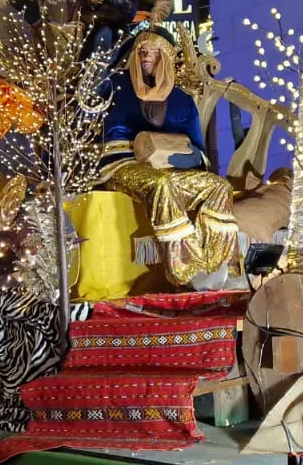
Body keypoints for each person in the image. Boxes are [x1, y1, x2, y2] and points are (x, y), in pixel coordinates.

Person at [99, 27, 240, 288]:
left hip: (171, 168)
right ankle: (189, 273)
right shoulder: (117, 87)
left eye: (153, 51)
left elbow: (197, 150)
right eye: (141, 51)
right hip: (123, 164)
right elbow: (92, 86)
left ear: (166, 55)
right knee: (162, 185)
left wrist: (183, 159)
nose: (145, 56)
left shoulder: (182, 100)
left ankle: (221, 269)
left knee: (219, 187)